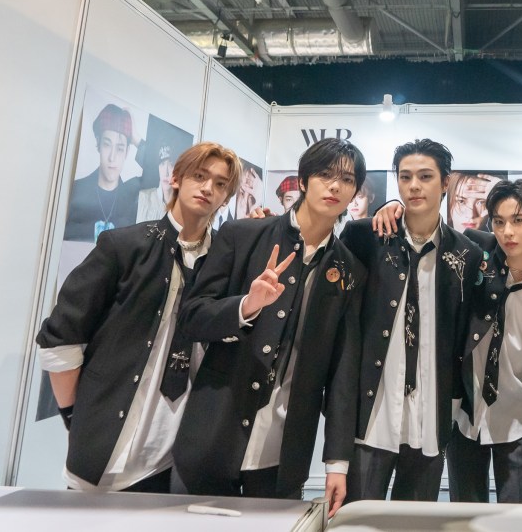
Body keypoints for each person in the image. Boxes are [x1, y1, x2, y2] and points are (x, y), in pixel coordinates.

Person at [173, 138, 366, 516]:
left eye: (346, 180)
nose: (335, 186)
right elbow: (191, 317)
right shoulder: (242, 235)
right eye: (325, 175)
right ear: (303, 180)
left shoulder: (349, 270)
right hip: (213, 435)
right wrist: (246, 306)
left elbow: (343, 370)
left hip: (284, 452)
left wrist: (337, 462)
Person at [36, 142, 242, 492]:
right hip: (109, 447)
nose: (208, 188)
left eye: (221, 184)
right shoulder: (124, 246)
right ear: (176, 178)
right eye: (199, 175)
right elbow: (61, 335)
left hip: (182, 452)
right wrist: (75, 414)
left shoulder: (227, 259)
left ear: (227, 197)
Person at [341, 139, 484, 502]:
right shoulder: (366, 237)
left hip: (430, 412)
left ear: (445, 182)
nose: (414, 186)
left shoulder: (466, 254)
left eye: (425, 176)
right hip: (373, 410)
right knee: (358, 518)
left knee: (416, 520)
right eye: (405, 177)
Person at [448, 179, 522, 503]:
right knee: (464, 515)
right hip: (464, 414)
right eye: (499, 222)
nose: (507, 232)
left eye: (518, 220)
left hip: (518, 415)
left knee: (518, 516)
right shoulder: (476, 253)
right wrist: (392, 208)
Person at [64, 104, 143, 242]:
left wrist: (137, 139)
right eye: (107, 144)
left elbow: (160, 176)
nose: (112, 157)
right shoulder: (77, 189)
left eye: (119, 148)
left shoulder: (133, 198)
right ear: (98, 144)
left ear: (127, 152)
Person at [136, 144, 176, 222]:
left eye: (171, 165)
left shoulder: (182, 205)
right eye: (162, 164)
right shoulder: (144, 197)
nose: (166, 173)